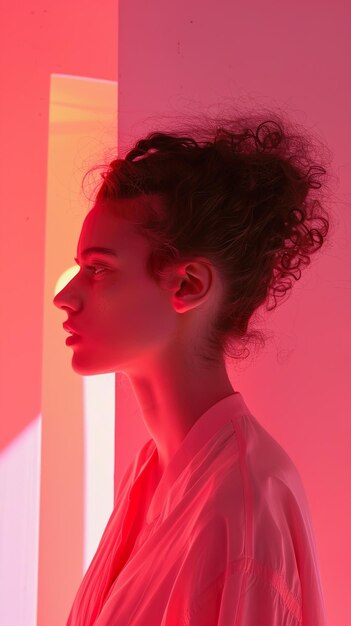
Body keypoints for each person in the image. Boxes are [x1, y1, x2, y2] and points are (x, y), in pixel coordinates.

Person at [53, 109, 334, 625]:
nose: (66, 297)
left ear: (188, 286)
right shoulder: (151, 474)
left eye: (98, 269)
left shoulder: (244, 510)